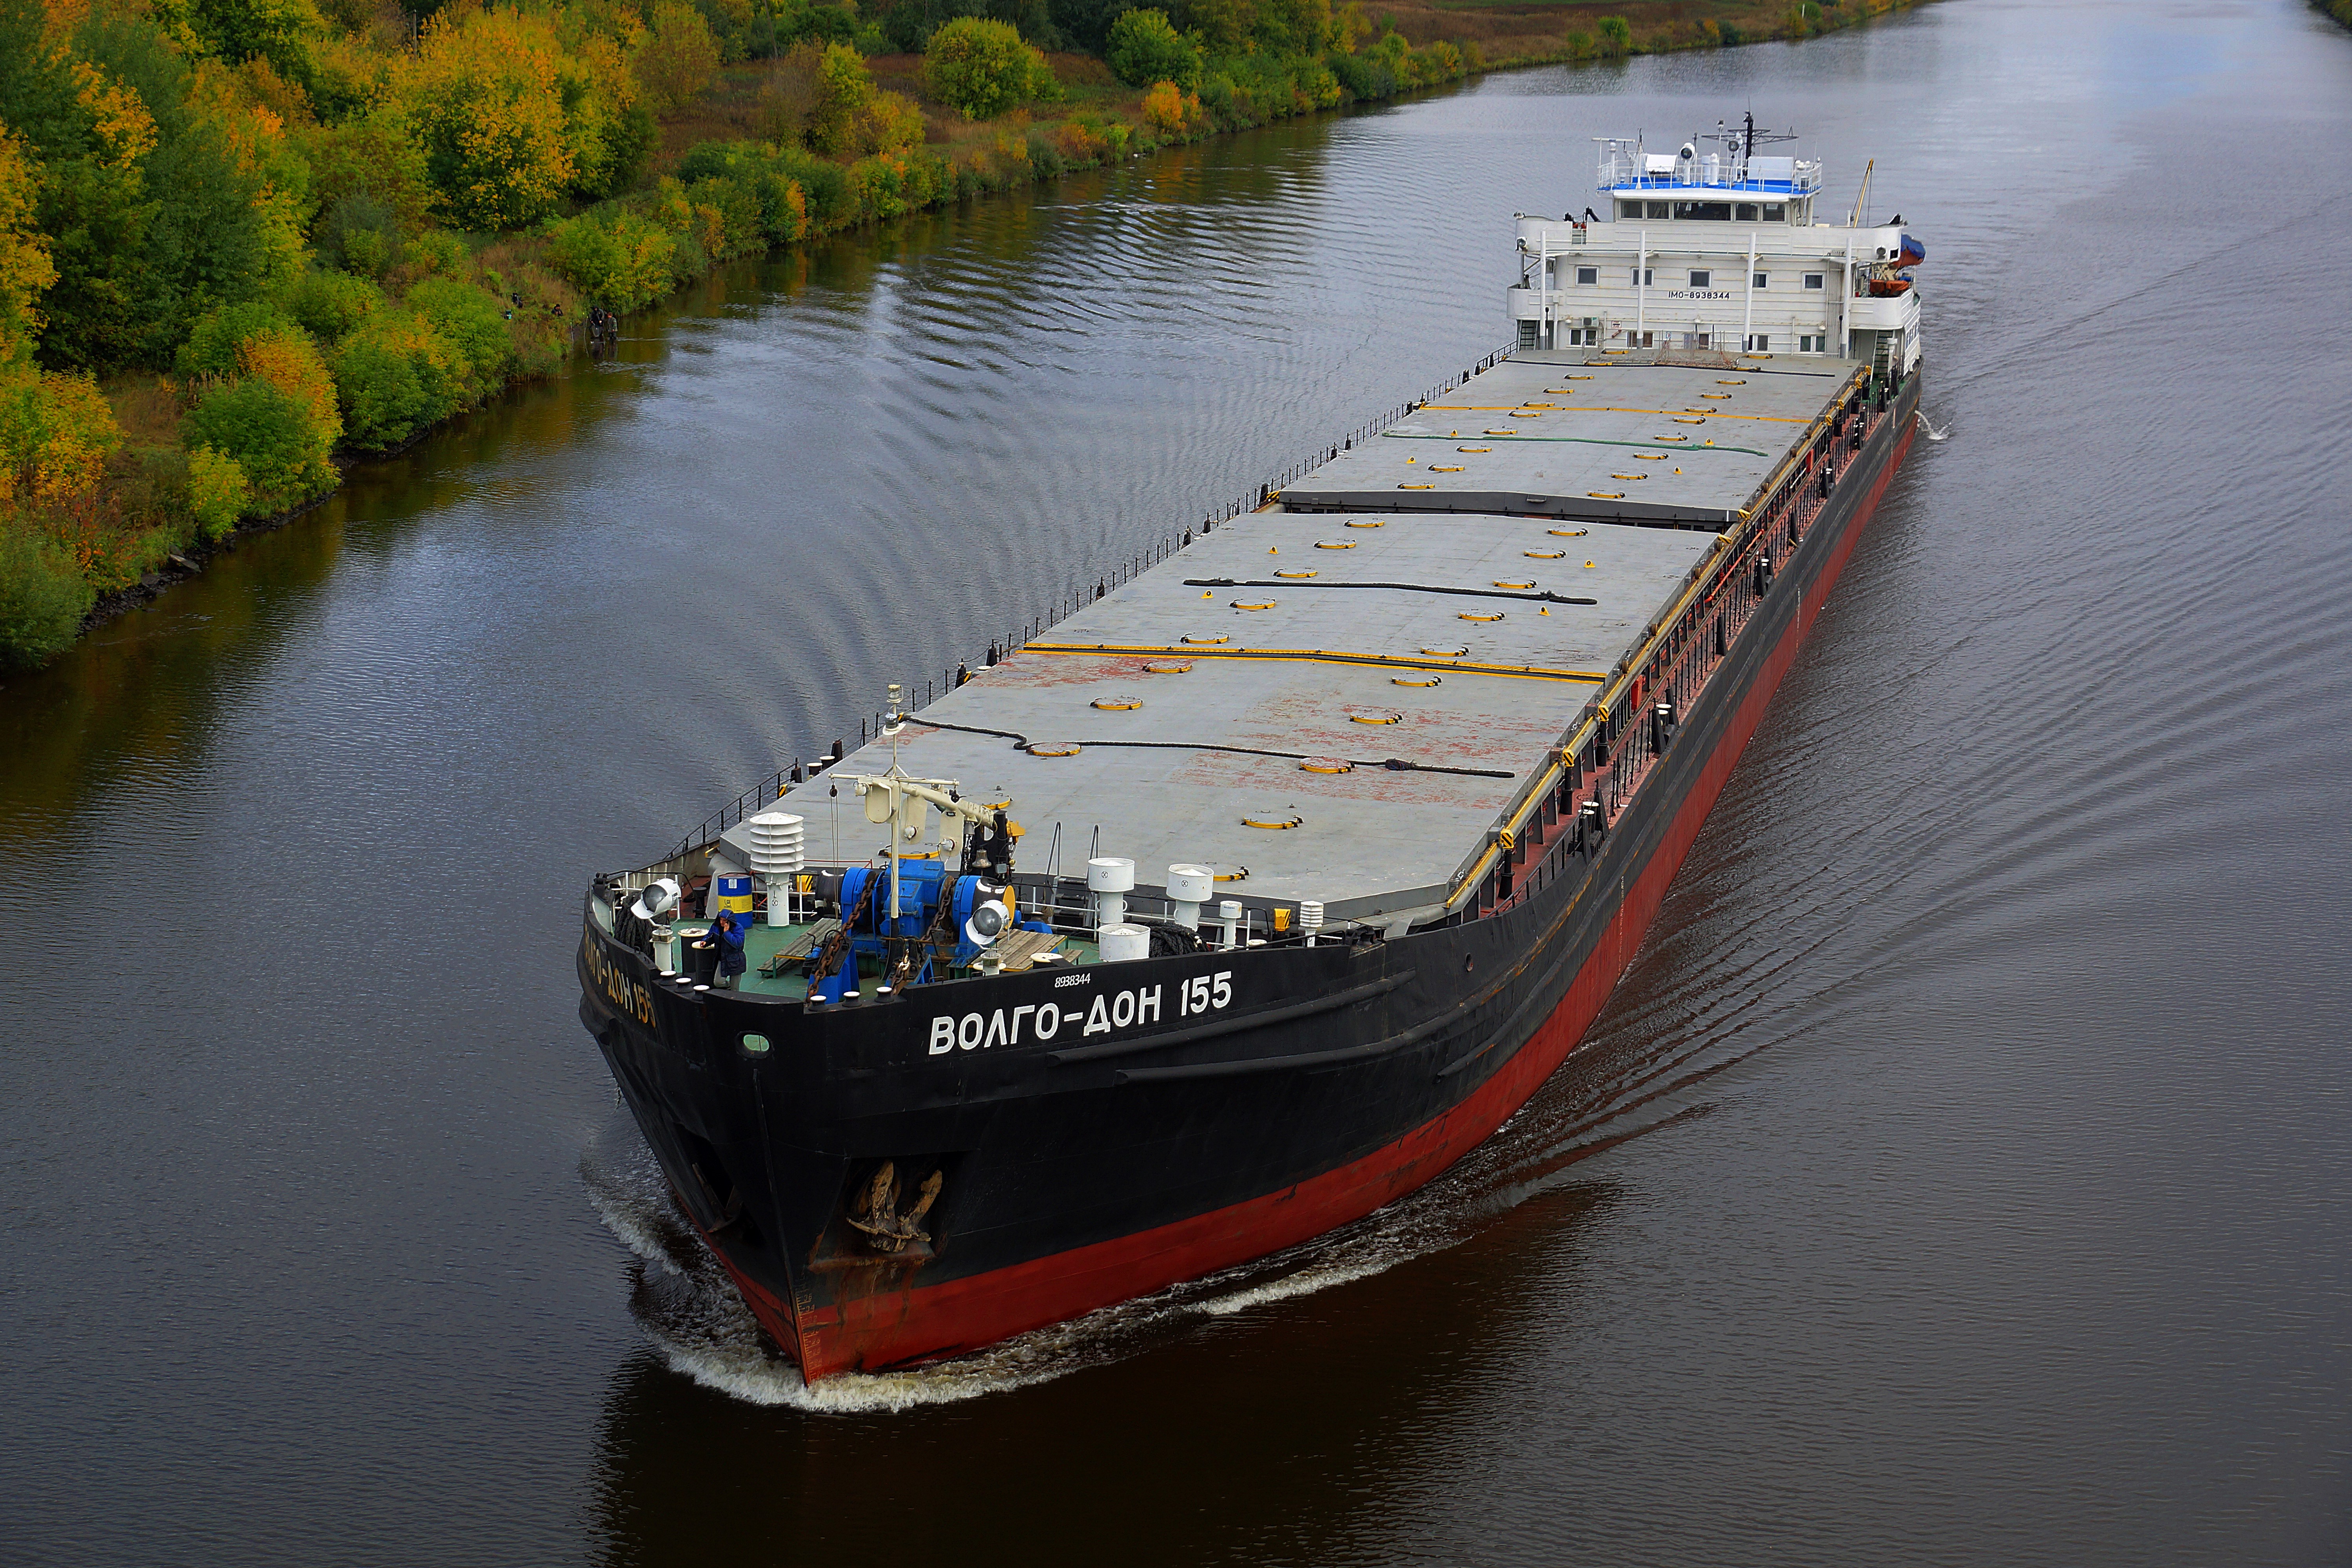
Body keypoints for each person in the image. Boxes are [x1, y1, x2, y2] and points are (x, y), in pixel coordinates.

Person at [707, 911, 747, 989]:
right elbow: (711, 935)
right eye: (721, 919)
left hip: (736, 960)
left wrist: (727, 933)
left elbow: (737, 944)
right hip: (722, 959)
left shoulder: (738, 928)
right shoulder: (716, 927)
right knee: (718, 982)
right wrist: (706, 941)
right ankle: (728, 986)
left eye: (725, 920)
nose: (722, 922)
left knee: (735, 988)